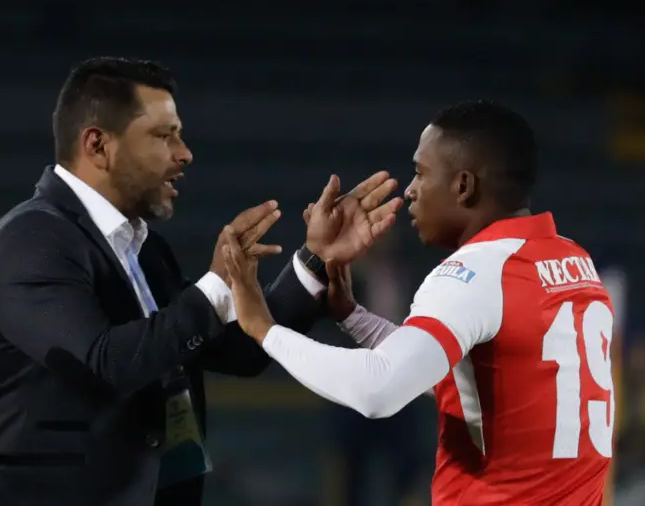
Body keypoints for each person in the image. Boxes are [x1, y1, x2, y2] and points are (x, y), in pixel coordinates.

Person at [0, 57, 401, 506]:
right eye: (163, 135)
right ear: (98, 145)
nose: (184, 153)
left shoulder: (143, 249)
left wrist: (315, 260)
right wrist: (215, 287)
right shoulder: (32, 240)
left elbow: (241, 349)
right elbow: (105, 364)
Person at [225, 100, 616, 505]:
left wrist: (263, 328)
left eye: (421, 172)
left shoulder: (475, 272)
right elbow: (467, 379)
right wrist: (353, 317)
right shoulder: (574, 261)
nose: (410, 190)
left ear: (463, 186)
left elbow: (378, 389)